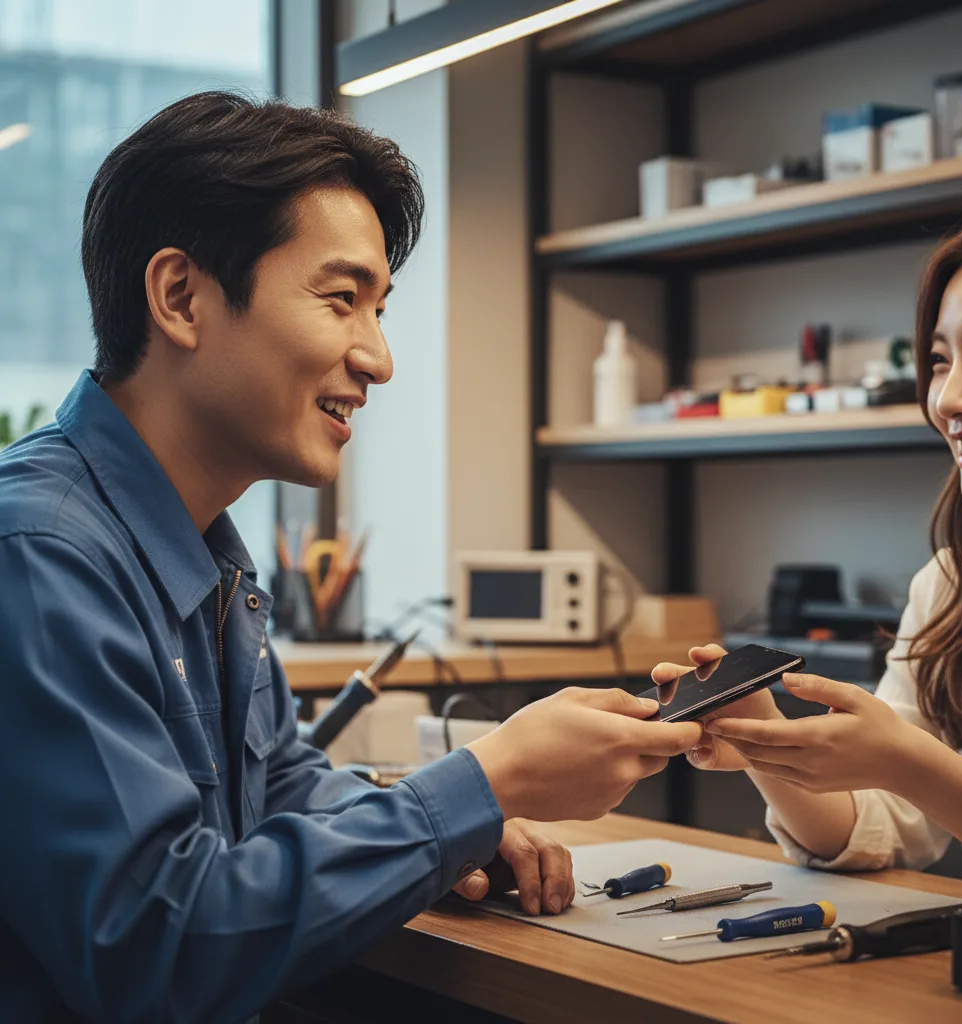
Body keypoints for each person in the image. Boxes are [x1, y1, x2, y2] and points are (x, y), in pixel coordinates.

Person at [0, 92, 703, 1023]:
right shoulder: (40, 556)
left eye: (379, 309)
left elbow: (283, 787)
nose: (378, 357)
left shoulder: (202, 555)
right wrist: (485, 782)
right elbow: (155, 947)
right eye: (342, 300)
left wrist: (462, 821)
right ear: (179, 297)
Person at [655, 201, 962, 880]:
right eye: (940, 361)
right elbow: (881, 831)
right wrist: (764, 740)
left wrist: (909, 762)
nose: (948, 399)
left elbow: (912, 776)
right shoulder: (954, 587)